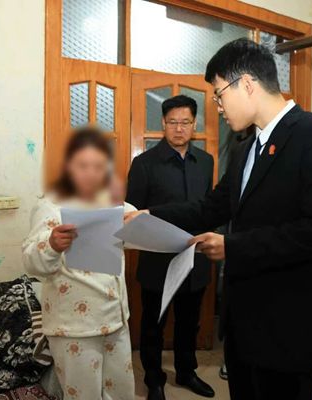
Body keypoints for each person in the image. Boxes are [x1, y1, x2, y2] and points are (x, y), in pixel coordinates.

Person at [126, 38, 312, 400]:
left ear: (246, 84)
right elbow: (211, 208)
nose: (217, 108)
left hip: (287, 322)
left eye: (219, 95)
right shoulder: (246, 148)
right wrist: (149, 214)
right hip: (243, 322)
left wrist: (233, 246)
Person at [23, 127, 136, 400]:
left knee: (121, 391)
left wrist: (138, 221)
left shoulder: (113, 202)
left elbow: (135, 233)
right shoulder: (50, 206)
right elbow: (31, 261)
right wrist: (51, 244)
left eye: (99, 166)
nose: (91, 173)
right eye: (83, 165)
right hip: (74, 326)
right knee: (84, 395)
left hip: (115, 318)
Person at [126, 95, 215, 400]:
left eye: (185, 122)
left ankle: (187, 371)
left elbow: (208, 208)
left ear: (194, 124)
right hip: (158, 260)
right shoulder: (144, 164)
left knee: (190, 322)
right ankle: (154, 380)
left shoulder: (205, 161)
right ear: (163, 123)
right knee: (153, 323)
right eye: (173, 122)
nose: (179, 129)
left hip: (195, 257)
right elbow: (133, 215)